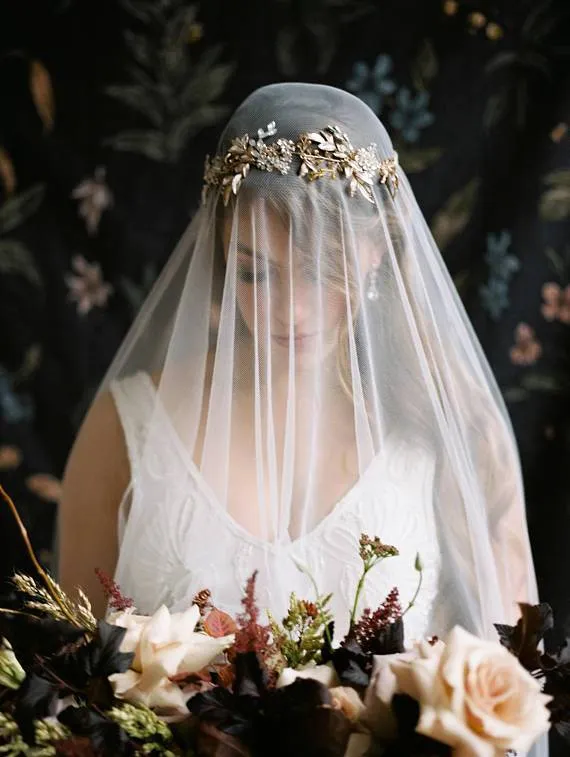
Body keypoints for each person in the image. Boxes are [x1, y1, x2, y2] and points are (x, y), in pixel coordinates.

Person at [59, 83, 538, 647]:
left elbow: (506, 691)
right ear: (217, 255)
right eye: (254, 273)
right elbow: (70, 693)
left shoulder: (459, 434)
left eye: (324, 267)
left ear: (379, 250)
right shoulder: (123, 430)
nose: (292, 309)